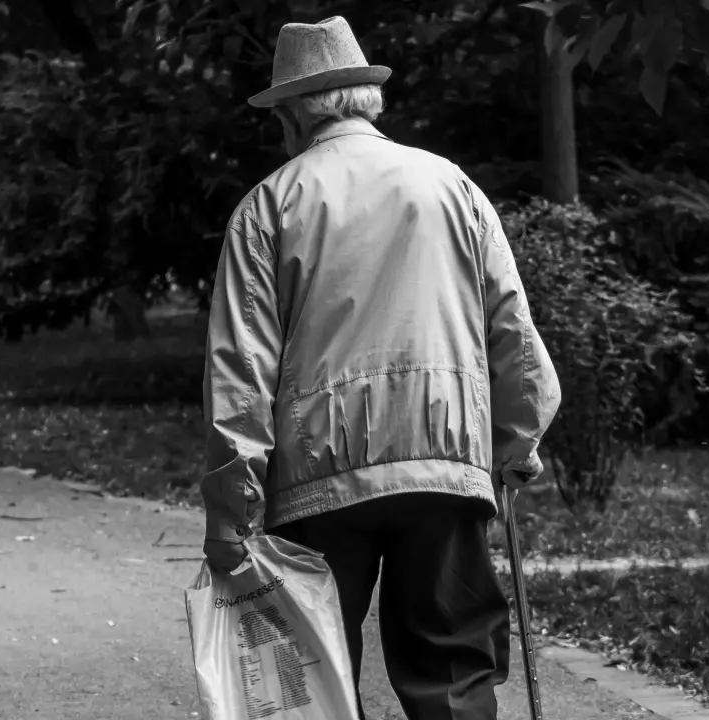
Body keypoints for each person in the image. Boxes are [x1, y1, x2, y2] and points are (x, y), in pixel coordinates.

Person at [199, 15, 562, 720]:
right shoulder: (453, 186)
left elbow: (240, 374)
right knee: (453, 676)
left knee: (312, 681)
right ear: (364, 99)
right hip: (445, 466)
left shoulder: (268, 206)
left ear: (295, 114)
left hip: (316, 480)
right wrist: (517, 444)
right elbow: (512, 333)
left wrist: (232, 516)